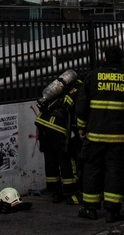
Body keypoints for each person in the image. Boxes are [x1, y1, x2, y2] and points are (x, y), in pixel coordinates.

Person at [74, 43, 124, 223]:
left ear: (104, 59)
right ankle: (113, 211)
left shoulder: (92, 77)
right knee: (115, 171)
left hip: (95, 136)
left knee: (92, 170)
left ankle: (90, 209)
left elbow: (81, 105)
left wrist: (81, 127)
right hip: (118, 137)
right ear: (122, 60)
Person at [35, 69, 80, 204]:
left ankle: (55, 193)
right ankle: (71, 193)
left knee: (50, 160)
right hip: (57, 127)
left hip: (42, 123)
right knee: (66, 160)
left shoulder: (57, 89)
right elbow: (76, 109)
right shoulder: (79, 89)